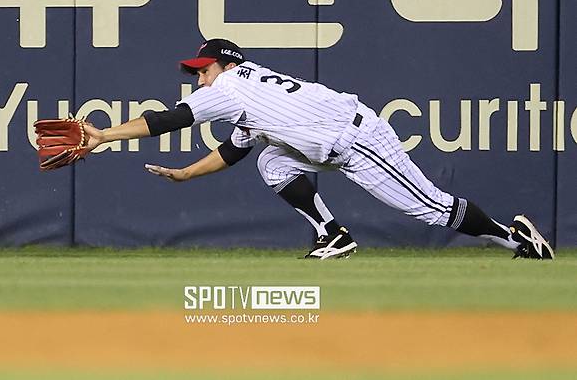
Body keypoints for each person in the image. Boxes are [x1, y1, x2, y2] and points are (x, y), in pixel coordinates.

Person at [82, 39, 555, 260]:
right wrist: (186, 174)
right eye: (196, 72)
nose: (197, 77)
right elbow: (235, 150)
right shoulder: (249, 94)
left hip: (356, 140)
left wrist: (103, 136)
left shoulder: (228, 86)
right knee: (271, 161)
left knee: (431, 210)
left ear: (226, 65)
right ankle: (334, 234)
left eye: (202, 69)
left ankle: (516, 238)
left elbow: (168, 120)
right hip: (332, 145)